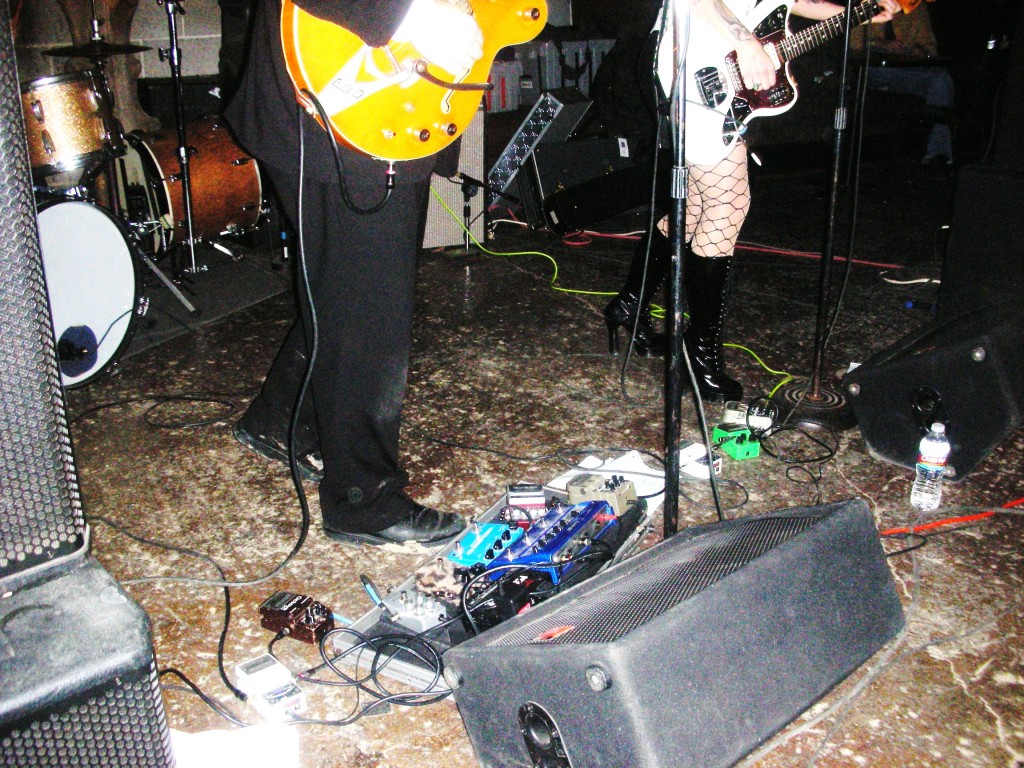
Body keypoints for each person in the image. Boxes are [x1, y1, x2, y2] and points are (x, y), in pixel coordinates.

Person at [224, 0, 483, 546]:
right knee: (370, 313)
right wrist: (408, 17)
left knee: (349, 285)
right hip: (346, 113)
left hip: (365, 110)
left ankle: (282, 421)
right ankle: (363, 501)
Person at [604, 0, 899, 402]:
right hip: (702, 61)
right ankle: (699, 352)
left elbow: (791, 2)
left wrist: (854, 12)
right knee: (728, 204)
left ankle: (630, 307)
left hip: (712, 60)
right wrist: (745, 43)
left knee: (695, 208)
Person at [852, 1, 955, 164]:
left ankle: (939, 152)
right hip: (876, 63)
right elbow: (855, 43)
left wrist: (919, 50)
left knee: (940, 79)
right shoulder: (868, 3)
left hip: (905, 68)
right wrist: (883, 44)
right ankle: (880, 86)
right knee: (880, 68)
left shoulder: (916, 6)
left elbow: (929, 46)